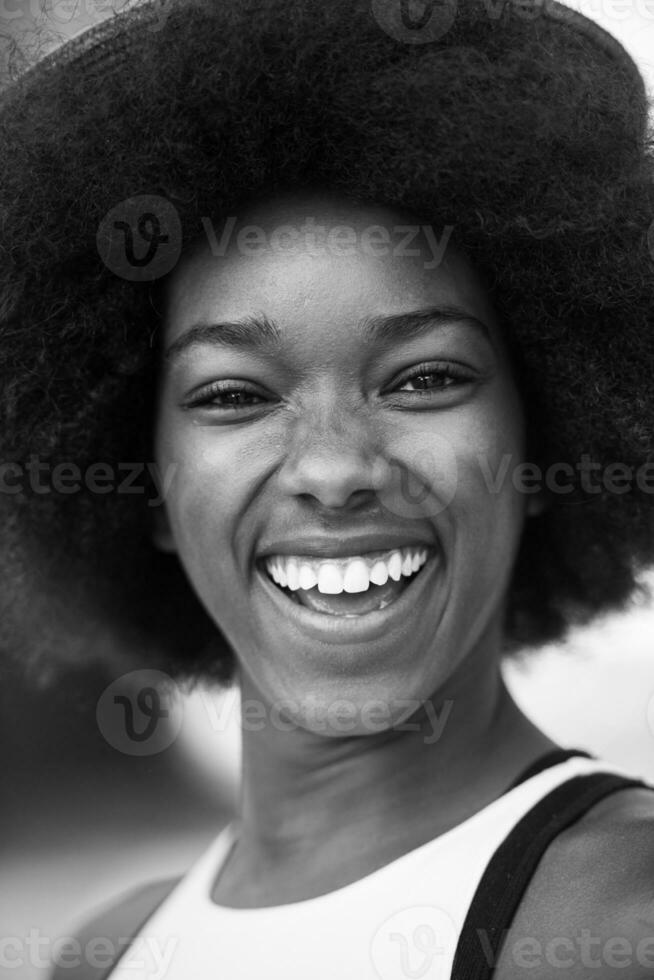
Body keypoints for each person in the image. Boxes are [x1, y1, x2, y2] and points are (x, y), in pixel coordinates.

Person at [1, 0, 654, 977]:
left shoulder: (618, 917)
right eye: (232, 393)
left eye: (425, 376)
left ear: (545, 439)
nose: (336, 468)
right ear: (146, 489)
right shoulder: (102, 953)